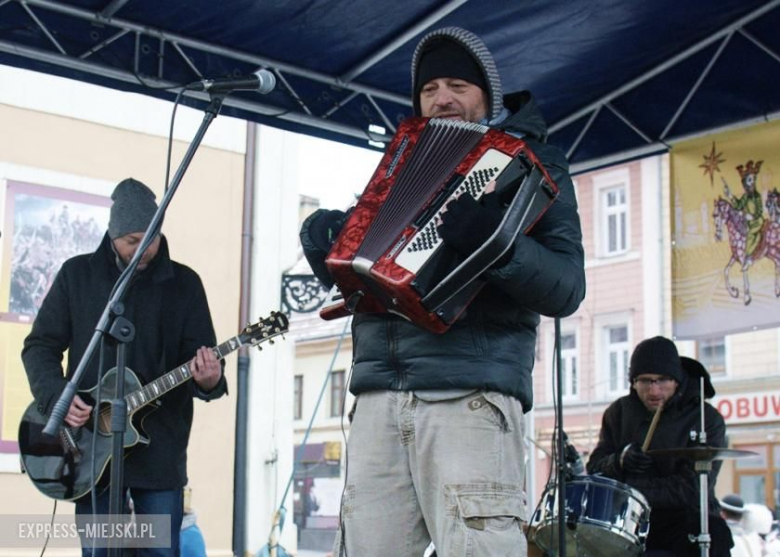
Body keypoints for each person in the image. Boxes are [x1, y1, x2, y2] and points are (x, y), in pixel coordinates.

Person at [300, 27, 585, 556]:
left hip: (468, 396)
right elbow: (374, 278)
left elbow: (567, 287)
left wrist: (496, 244)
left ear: (487, 97)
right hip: (379, 397)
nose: (442, 99)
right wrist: (328, 251)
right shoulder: (399, 161)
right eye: (429, 89)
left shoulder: (530, 163)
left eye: (457, 84)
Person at [22, 178, 227, 557]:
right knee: (100, 551)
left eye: (151, 238)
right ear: (112, 236)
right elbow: (39, 347)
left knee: (161, 553)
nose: (143, 249)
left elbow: (204, 363)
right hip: (86, 447)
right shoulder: (76, 275)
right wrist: (57, 398)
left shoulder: (185, 284)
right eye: (132, 241)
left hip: (160, 448)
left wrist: (211, 380)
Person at [587, 337, 732, 556]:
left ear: (677, 380)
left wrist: (631, 488)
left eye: (662, 380)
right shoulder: (619, 413)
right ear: (633, 382)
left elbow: (692, 488)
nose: (654, 391)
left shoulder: (705, 418)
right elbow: (595, 469)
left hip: (690, 522)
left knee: (716, 535)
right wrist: (619, 460)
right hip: (632, 525)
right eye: (645, 381)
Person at [722, 160, 765, 260]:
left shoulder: (757, 196)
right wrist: (729, 195)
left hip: (757, 222)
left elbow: (759, 210)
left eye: (753, 180)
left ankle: (749, 257)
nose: (752, 183)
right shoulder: (746, 196)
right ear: (745, 183)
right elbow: (738, 205)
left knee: (750, 235)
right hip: (748, 223)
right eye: (750, 180)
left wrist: (752, 216)